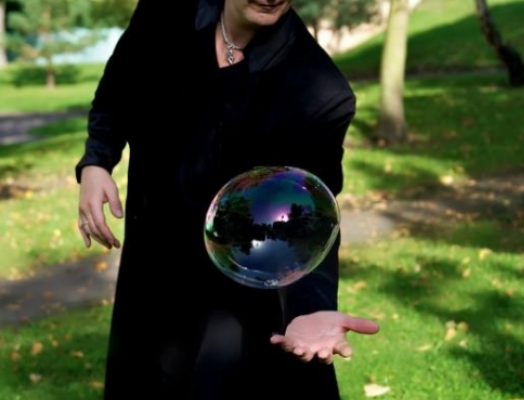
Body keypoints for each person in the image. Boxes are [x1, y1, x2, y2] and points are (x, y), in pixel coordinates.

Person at [74, 0, 380, 399]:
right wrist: (96, 161)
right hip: (153, 265)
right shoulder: (163, 11)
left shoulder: (320, 91)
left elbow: (308, 219)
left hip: (238, 293)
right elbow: (119, 89)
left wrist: (310, 307)